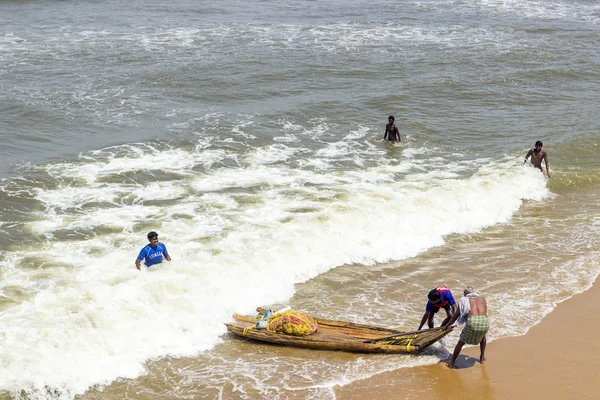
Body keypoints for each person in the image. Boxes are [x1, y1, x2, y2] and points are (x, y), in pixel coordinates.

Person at [441, 286, 489, 368]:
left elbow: (455, 316)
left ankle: (451, 363)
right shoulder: (482, 299)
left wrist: (446, 326)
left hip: (472, 322)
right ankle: (482, 358)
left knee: (461, 342)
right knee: (483, 337)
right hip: (485, 322)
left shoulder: (464, 301)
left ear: (465, 294)